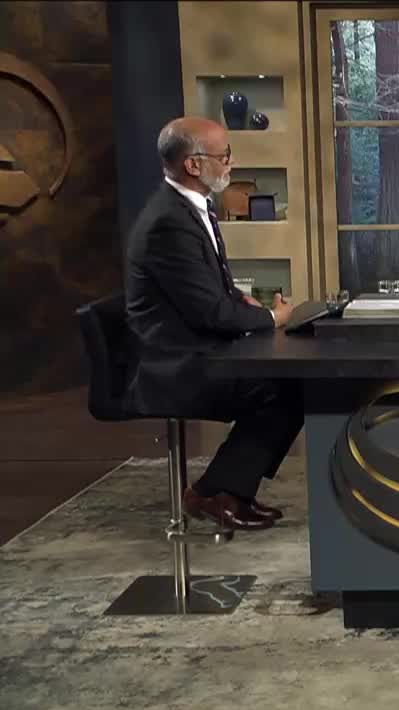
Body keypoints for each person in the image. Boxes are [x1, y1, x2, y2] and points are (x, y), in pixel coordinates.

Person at [125, 116, 301, 531]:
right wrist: (272, 317)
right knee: (286, 388)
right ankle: (214, 493)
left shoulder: (190, 207)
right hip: (176, 363)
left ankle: (231, 491)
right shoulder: (169, 222)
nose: (230, 164)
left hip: (197, 345)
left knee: (289, 383)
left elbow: (208, 294)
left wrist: (240, 301)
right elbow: (209, 314)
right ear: (192, 165)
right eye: (223, 156)